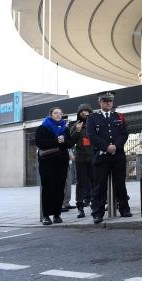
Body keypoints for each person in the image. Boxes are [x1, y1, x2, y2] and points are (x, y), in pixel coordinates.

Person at [86, 92, 132, 224]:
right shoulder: (93, 117)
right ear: (99, 102)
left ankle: (124, 209)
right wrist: (106, 147)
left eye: (110, 101)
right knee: (99, 186)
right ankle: (97, 213)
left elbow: (124, 134)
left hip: (117, 155)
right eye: (105, 101)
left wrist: (115, 146)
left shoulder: (119, 116)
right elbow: (91, 135)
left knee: (120, 184)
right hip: (101, 156)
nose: (108, 103)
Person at [36, 107, 77, 225]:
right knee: (48, 188)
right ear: (50, 114)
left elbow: (70, 143)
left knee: (59, 188)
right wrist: (56, 141)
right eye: (55, 113)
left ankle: (57, 214)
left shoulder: (65, 128)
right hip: (47, 163)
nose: (58, 115)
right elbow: (40, 143)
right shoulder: (43, 127)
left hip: (61, 162)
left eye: (60, 113)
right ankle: (46, 216)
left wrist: (63, 141)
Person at [72, 103, 94, 218]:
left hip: (93, 158)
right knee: (81, 183)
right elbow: (71, 141)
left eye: (87, 111)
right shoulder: (76, 125)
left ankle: (95, 204)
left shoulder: (95, 123)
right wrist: (77, 131)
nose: (85, 113)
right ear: (79, 113)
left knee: (95, 182)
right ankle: (80, 208)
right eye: (83, 111)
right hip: (80, 158)